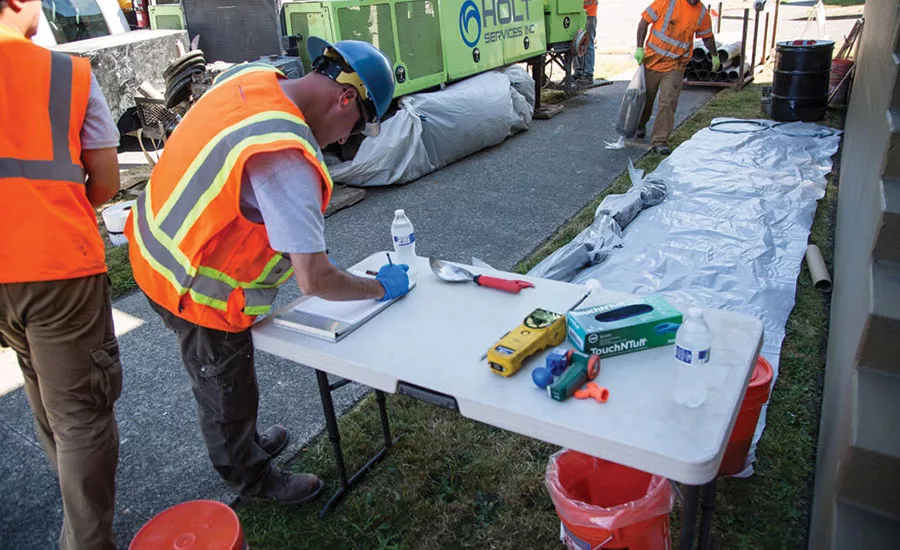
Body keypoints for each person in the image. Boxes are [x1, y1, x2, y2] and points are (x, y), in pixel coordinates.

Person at [125, 36, 410, 504]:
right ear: (345, 99)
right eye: (355, 127)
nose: (344, 140)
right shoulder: (287, 160)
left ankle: (247, 441)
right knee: (224, 384)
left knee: (233, 379)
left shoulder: (252, 79)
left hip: (156, 243)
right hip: (194, 290)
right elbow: (314, 279)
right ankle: (250, 475)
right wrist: (378, 287)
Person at [0, 1, 123, 548]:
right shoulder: (66, 74)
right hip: (54, 266)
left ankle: (76, 499)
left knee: (36, 376)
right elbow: (105, 184)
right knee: (82, 414)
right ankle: (87, 539)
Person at [634, 0, 718, 155]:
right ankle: (639, 124)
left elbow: (707, 36)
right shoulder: (667, 2)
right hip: (653, 60)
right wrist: (639, 48)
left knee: (668, 102)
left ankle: (659, 141)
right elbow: (643, 23)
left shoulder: (701, 13)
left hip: (676, 64)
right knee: (646, 98)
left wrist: (714, 55)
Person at [573, 0, 598, 85]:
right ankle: (579, 72)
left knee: (588, 44)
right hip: (579, 14)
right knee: (577, 43)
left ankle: (588, 75)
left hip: (588, 14)